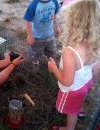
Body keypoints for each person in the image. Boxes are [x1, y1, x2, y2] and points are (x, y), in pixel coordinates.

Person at [48, 0, 100, 130]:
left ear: (73, 21)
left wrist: (53, 68)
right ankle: (78, 108)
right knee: (77, 103)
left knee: (71, 112)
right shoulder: (94, 42)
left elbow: (67, 82)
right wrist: (91, 82)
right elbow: (97, 67)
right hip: (86, 82)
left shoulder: (69, 52)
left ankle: (69, 127)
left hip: (73, 90)